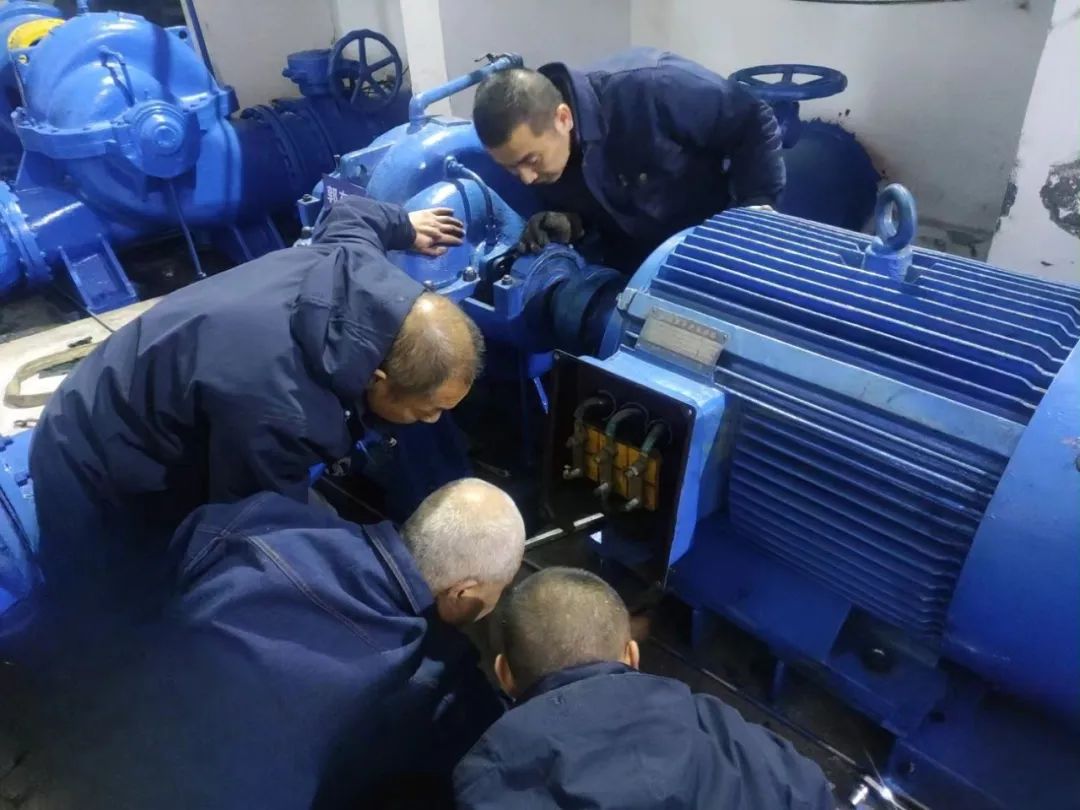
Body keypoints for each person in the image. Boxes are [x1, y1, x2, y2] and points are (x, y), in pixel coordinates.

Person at [28, 195, 480, 600]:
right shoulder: (283, 413)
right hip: (94, 453)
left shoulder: (354, 264)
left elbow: (353, 213)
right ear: (378, 380)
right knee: (127, 605)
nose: (432, 420)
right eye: (429, 410)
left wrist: (405, 225)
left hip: (141, 369)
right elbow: (251, 531)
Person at [2, 478, 525, 810]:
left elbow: (152, 598)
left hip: (82, 750)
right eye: (495, 592)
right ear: (463, 592)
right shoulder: (434, 679)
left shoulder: (261, 520)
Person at [454, 567, 836, 810]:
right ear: (632, 655)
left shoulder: (484, 785)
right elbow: (811, 793)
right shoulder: (732, 740)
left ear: (504, 674)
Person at [472, 49, 784, 273]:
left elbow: (753, 119)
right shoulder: (544, 157)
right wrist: (572, 222)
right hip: (637, 267)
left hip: (710, 242)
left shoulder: (652, 87)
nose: (526, 178)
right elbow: (602, 205)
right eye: (511, 168)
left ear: (563, 118)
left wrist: (757, 203)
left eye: (531, 160)